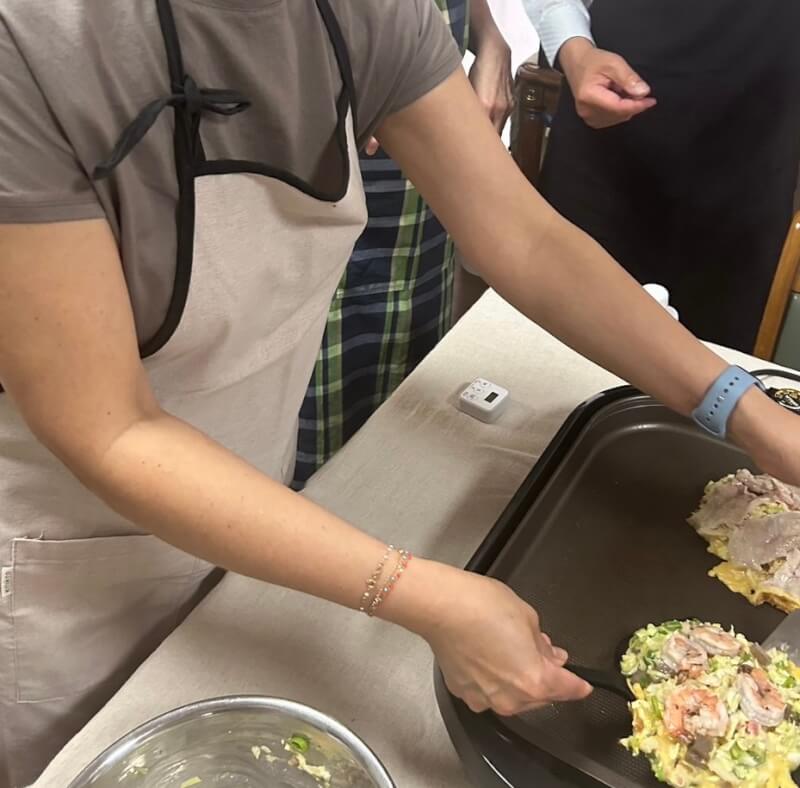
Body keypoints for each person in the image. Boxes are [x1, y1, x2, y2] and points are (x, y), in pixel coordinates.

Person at [1, 1, 799, 784]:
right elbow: (107, 430)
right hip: (71, 551)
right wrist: (420, 595)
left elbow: (526, 237)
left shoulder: (367, 10)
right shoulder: (31, 42)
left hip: (248, 495)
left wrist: (748, 413)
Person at [293, 0, 513, 487]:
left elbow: (529, 239)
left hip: (420, 196)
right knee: (304, 412)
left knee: (404, 406)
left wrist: (489, 35)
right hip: (309, 148)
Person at [522, 0, 800, 352]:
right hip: (607, 141)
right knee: (559, 354)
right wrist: (575, 52)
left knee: (719, 368)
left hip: (752, 163)